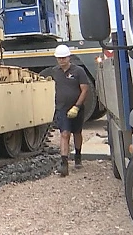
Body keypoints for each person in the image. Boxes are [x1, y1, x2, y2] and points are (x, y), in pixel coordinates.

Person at [40, 44, 89, 176]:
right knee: (64, 134)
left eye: (63, 58)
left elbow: (84, 89)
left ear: (69, 57)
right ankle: (64, 163)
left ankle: (78, 156)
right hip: (62, 108)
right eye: (59, 58)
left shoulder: (78, 71)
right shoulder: (55, 72)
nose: (61, 60)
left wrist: (77, 106)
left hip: (76, 108)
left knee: (77, 133)